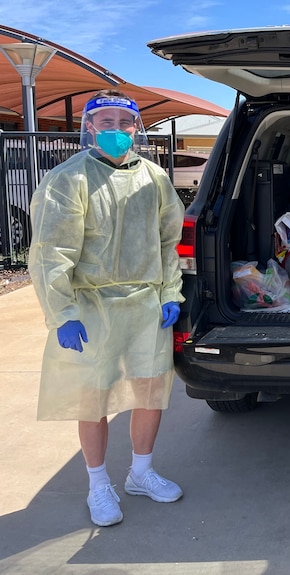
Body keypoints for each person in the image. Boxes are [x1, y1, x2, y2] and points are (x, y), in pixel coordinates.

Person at [28, 90, 186, 527]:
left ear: (138, 128)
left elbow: (168, 241)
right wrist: (62, 312)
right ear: (90, 126)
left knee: (149, 390)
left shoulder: (153, 178)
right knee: (92, 396)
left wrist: (170, 292)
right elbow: (49, 252)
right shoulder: (69, 179)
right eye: (107, 122)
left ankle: (141, 472)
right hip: (91, 304)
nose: (117, 130)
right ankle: (98, 483)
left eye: (125, 122)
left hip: (145, 303)